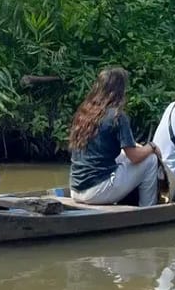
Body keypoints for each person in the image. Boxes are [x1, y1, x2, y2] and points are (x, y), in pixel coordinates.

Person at [68, 67, 160, 206]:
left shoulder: (84, 112)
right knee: (151, 160)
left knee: (123, 155)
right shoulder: (117, 116)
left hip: (75, 190)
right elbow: (134, 157)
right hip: (96, 191)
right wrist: (151, 147)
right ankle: (148, 210)